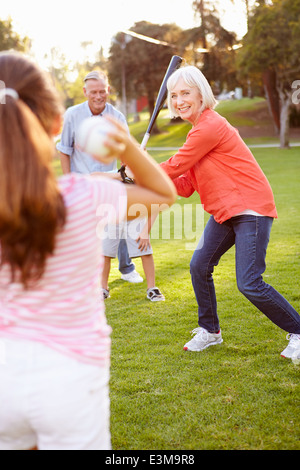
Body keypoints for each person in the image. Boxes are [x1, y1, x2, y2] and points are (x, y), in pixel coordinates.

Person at [0, 51, 176, 450]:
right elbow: (162, 194)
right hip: (71, 380)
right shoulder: (82, 195)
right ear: (52, 125)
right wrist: (127, 145)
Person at [160, 65, 300, 360]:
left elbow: (173, 166)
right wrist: (141, 180)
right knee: (199, 265)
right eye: (174, 95)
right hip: (225, 213)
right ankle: (209, 331)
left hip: (250, 208)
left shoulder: (210, 125)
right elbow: (184, 184)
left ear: (202, 94)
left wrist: (139, 169)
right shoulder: (196, 132)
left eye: (186, 93)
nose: (179, 100)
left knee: (249, 282)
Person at [56, 70, 143, 284]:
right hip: (81, 184)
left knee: (118, 225)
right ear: (85, 92)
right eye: (93, 92)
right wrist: (69, 183)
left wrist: (125, 172)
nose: (98, 96)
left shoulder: (117, 117)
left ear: (108, 91)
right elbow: (64, 150)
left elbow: (125, 153)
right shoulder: (72, 115)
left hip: (108, 183)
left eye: (102, 91)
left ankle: (126, 268)